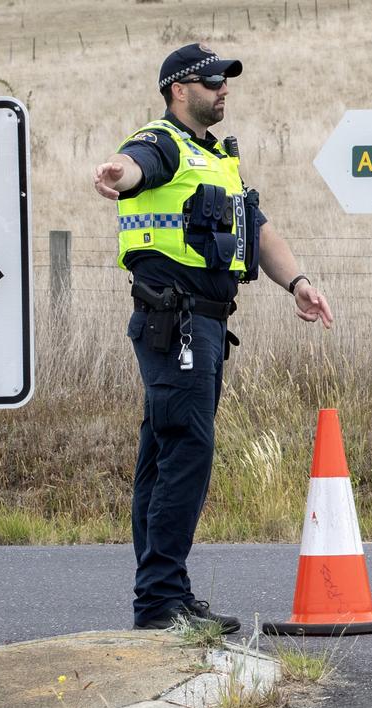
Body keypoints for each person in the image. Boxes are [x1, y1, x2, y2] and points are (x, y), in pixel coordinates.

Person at [92, 42, 333, 633]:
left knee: (163, 452)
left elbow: (259, 227)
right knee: (188, 449)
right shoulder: (163, 142)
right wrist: (116, 173)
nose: (224, 88)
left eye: (226, 79)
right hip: (172, 322)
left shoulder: (217, 158)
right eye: (211, 81)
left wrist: (297, 282)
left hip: (202, 322)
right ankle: (160, 602)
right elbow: (134, 164)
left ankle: (163, 594)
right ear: (179, 89)